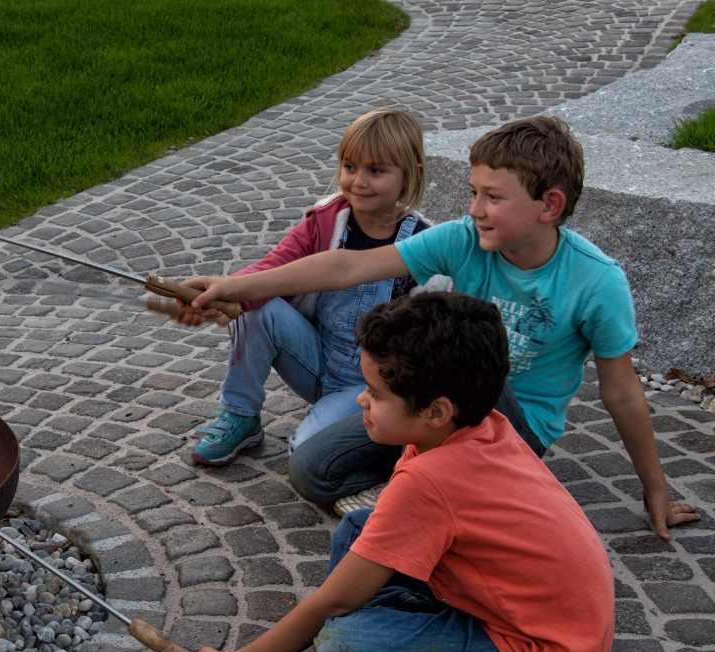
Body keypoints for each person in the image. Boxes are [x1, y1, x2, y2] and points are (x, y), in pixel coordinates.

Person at [182, 116, 697, 539]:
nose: (475, 210)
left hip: (513, 428)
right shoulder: (463, 238)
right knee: (311, 470)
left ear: (550, 205)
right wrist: (236, 286)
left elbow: (622, 392)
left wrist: (655, 490)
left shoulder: (597, 280)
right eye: (473, 193)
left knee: (476, 353)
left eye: (493, 197)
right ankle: (427, 488)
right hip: (435, 411)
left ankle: (433, 489)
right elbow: (346, 266)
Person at [175, 293, 614, 652]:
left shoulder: (430, 481)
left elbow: (335, 600)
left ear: (436, 411)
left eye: (375, 393)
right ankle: (405, 647)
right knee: (357, 527)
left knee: (344, 646)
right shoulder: (480, 427)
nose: (361, 401)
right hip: (538, 620)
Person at [184, 109, 432, 466]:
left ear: (412, 175)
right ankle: (240, 414)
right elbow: (272, 268)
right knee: (257, 304)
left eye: (376, 171)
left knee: (306, 455)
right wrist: (224, 292)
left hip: (372, 389)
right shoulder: (326, 222)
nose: (359, 181)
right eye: (350, 167)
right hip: (316, 359)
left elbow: (427, 348)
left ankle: (378, 440)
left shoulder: (424, 245)